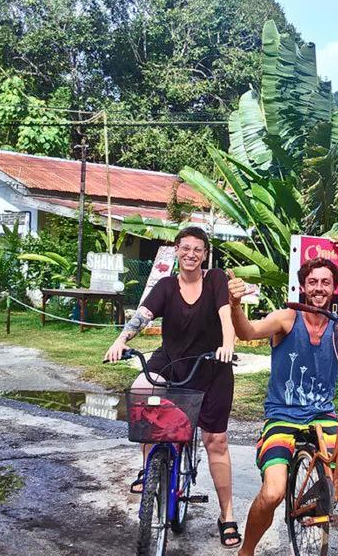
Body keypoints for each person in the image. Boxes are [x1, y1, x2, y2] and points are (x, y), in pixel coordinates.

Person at [228, 257, 338, 556]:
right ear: (303, 286)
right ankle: (246, 551)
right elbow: (247, 332)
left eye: (325, 283)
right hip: (281, 417)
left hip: (322, 416)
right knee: (274, 491)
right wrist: (235, 305)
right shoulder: (286, 319)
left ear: (334, 289)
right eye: (313, 282)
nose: (319, 288)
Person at [103, 226, 241, 549]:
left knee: (215, 440)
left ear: (205, 254)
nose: (191, 254)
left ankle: (228, 515)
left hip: (211, 365)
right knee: (142, 396)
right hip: (171, 362)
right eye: (185, 248)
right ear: (177, 250)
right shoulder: (166, 286)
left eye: (198, 249)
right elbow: (143, 316)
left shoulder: (216, 280)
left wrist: (228, 345)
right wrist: (120, 340)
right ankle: (150, 469)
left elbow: (226, 318)